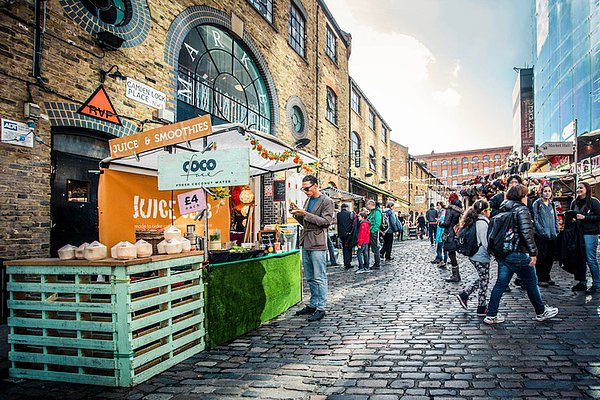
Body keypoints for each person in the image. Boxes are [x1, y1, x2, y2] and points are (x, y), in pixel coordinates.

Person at [484, 184, 559, 325]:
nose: (527, 198)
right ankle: (541, 311)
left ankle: (491, 314)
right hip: (518, 252)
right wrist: (533, 253)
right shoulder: (521, 210)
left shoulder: (502, 209)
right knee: (532, 282)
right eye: (525, 195)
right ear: (521, 196)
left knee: (500, 284)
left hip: (504, 254)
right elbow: (526, 233)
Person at [291, 175, 334, 322]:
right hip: (306, 241)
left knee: (319, 276)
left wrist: (305, 214)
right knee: (310, 277)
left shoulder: (327, 201)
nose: (306, 191)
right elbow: (306, 222)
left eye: (307, 188)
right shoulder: (308, 200)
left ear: (315, 185)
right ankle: (313, 304)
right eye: (303, 189)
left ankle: (321, 307)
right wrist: (297, 214)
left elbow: (326, 222)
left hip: (317, 242)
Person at [456, 199, 491, 317]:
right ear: (485, 211)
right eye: (489, 210)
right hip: (480, 255)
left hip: (475, 255)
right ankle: (481, 306)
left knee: (483, 278)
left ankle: (466, 295)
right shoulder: (482, 223)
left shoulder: (475, 220)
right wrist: (494, 253)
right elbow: (485, 243)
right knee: (484, 280)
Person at [570, 182, 600, 294]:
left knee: (590, 258)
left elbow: (598, 216)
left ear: (587, 189)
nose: (579, 189)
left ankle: (597, 283)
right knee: (579, 258)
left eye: (581, 188)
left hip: (590, 233)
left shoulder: (594, 202)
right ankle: (582, 282)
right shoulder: (575, 202)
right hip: (577, 233)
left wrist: (585, 217)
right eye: (577, 188)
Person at [532, 185, 559, 287]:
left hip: (552, 234)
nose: (547, 193)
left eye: (549, 191)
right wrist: (541, 231)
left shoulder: (552, 204)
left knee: (550, 257)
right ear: (541, 192)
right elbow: (535, 219)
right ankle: (541, 277)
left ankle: (547, 276)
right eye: (545, 191)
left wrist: (556, 230)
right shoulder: (537, 203)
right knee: (542, 257)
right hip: (541, 235)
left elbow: (555, 218)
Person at [439, 193, 464, 282]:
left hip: (450, 233)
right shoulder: (459, 209)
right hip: (457, 232)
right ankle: (456, 274)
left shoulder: (450, 209)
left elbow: (446, 223)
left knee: (451, 254)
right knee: (452, 253)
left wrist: (440, 223)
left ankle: (456, 275)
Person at [336, 203, 355, 270]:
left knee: (344, 248)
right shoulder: (350, 214)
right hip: (349, 234)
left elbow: (338, 224)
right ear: (347, 207)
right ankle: (348, 263)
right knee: (349, 248)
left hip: (341, 234)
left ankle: (346, 262)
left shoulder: (338, 214)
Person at [431, 201, 448, 267]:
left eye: (438, 205)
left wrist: (438, 237)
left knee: (441, 248)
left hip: (442, 235)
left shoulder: (442, 214)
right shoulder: (441, 213)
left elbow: (441, 227)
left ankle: (441, 260)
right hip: (443, 234)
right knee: (443, 248)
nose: (437, 207)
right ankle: (442, 260)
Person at [366, 200, 382, 270]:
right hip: (370, 232)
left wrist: (372, 230)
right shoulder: (372, 212)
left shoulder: (376, 212)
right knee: (371, 248)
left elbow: (377, 223)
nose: (366, 206)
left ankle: (377, 264)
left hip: (373, 232)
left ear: (371, 204)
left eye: (367, 204)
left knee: (375, 248)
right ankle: (367, 263)